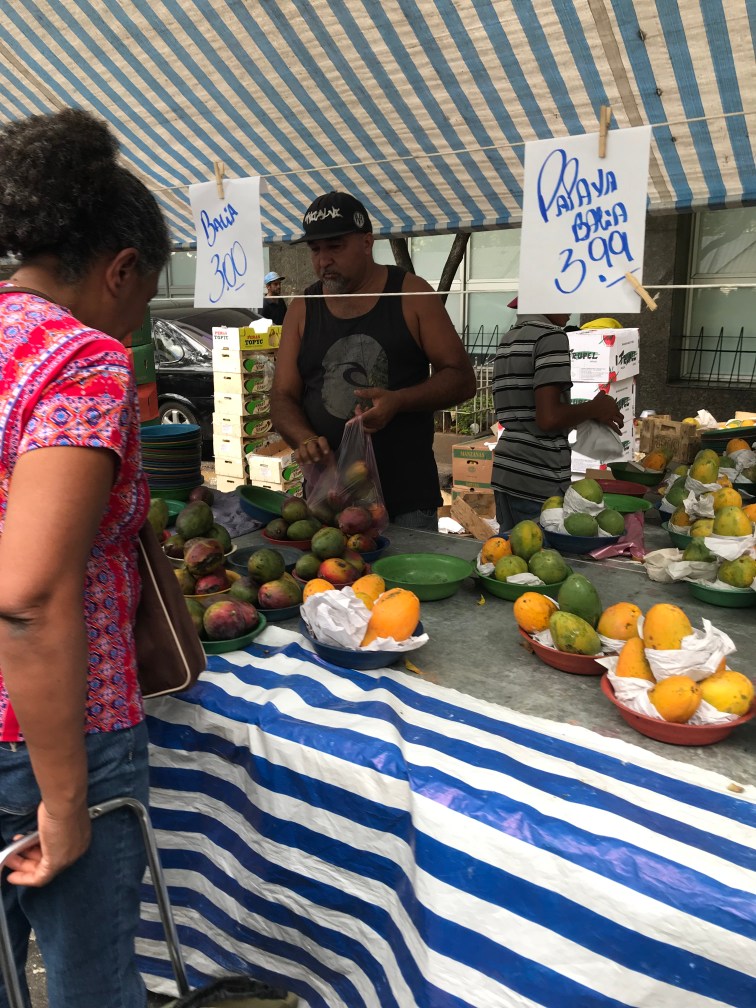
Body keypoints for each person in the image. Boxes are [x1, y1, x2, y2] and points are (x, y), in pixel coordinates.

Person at [0, 108, 170, 1007]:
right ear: (122, 269)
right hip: (55, 729)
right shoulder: (80, 363)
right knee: (92, 985)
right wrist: (66, 804)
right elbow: (26, 596)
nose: (134, 327)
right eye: (140, 305)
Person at [270, 191, 476, 531]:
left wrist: (400, 401)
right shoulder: (302, 309)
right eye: (315, 250)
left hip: (406, 502)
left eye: (335, 247)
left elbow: (462, 378)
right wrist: (303, 438)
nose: (323, 261)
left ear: (367, 242)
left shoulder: (412, 296)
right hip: (328, 502)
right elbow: (282, 397)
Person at [491, 298, 623, 533]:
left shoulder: (508, 339)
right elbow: (548, 418)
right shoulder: (551, 338)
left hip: (507, 470)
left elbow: (530, 409)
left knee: (510, 559)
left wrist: (587, 412)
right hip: (538, 474)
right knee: (539, 561)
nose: (570, 311)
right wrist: (594, 407)